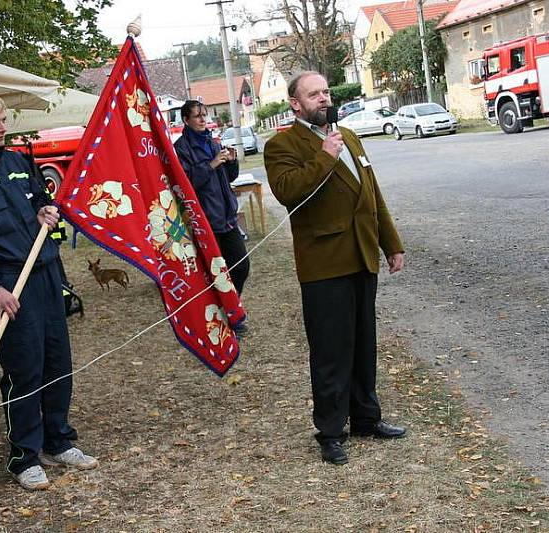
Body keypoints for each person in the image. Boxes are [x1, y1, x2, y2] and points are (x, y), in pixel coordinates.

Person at [0, 91, 97, 490]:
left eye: (4, 120)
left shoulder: (17, 161)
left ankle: (58, 439)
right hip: (8, 281)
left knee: (57, 361)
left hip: (44, 272)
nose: (2, 127)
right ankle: (23, 456)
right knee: (24, 369)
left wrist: (46, 209)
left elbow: (42, 202)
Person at [264, 72, 406, 466]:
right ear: (295, 103)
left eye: (326, 91)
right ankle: (330, 431)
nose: (324, 98)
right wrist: (325, 154)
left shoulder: (350, 135)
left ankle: (365, 418)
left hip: (361, 255)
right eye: (314, 94)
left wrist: (390, 243)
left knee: (363, 342)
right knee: (331, 351)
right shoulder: (282, 145)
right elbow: (290, 191)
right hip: (324, 263)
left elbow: (371, 193)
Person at [173, 100, 250, 333]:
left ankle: (230, 308)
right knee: (214, 272)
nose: (202, 119)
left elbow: (228, 177)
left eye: (204, 115)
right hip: (206, 220)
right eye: (197, 116)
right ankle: (222, 319)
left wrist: (231, 161)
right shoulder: (181, 148)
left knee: (241, 266)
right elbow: (186, 184)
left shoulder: (213, 142)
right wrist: (212, 164)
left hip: (226, 216)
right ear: (186, 120)